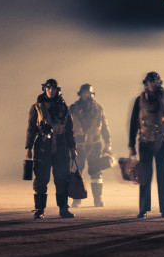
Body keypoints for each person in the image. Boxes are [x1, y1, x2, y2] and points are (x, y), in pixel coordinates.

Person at [128, 71, 164, 219]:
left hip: (162, 141)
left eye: (155, 81)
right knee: (144, 176)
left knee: (162, 177)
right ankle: (143, 209)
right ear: (146, 83)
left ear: (159, 83)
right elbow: (134, 123)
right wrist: (131, 144)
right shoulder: (139, 100)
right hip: (145, 142)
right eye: (150, 81)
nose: (152, 84)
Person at [25, 78, 77, 219]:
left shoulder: (64, 107)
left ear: (57, 90)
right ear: (45, 89)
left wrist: (73, 147)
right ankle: (40, 209)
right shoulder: (37, 107)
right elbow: (31, 129)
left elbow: (69, 129)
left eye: (53, 88)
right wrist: (28, 146)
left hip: (61, 145)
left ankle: (63, 208)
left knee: (62, 177)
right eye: (48, 87)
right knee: (41, 178)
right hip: (43, 145)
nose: (51, 90)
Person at [69, 83, 111, 207]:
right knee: (77, 173)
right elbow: (68, 127)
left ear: (92, 94)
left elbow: (104, 127)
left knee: (96, 173)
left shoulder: (98, 109)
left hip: (95, 145)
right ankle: (77, 199)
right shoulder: (72, 108)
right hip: (79, 146)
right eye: (84, 92)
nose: (87, 95)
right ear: (80, 94)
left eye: (89, 93)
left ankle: (98, 199)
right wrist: (69, 144)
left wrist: (108, 143)